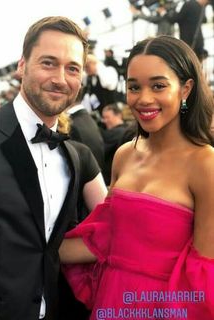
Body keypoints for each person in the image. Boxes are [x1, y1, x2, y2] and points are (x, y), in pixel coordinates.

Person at [59, 35, 214, 320]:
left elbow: (205, 274)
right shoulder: (123, 155)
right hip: (110, 300)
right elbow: (106, 238)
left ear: (186, 89)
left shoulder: (205, 164)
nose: (143, 98)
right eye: (133, 87)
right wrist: (27, 244)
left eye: (158, 85)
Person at [0, 16, 107, 320]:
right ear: (22, 65)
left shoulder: (72, 157)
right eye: (48, 63)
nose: (60, 78)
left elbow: (53, 246)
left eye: (72, 68)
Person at [100, 103, 128, 185]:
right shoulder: (128, 131)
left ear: (118, 115)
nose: (105, 121)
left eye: (108, 117)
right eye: (103, 118)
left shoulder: (117, 133)